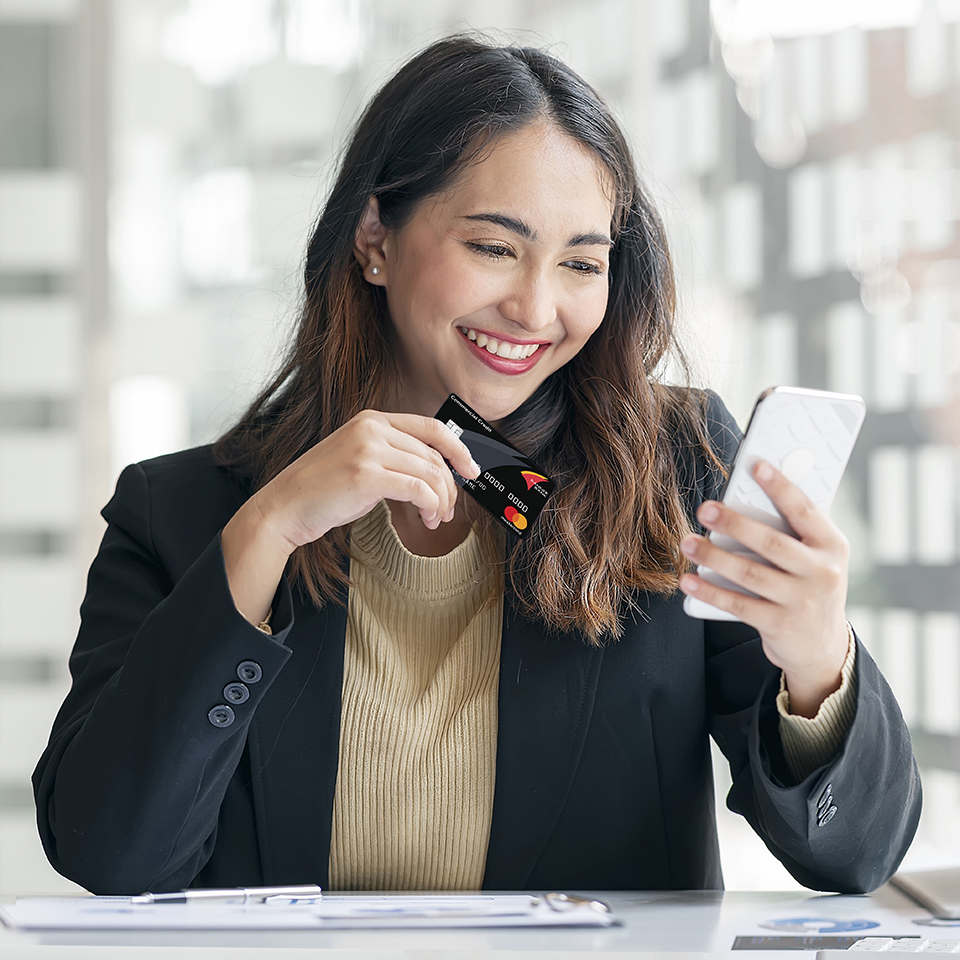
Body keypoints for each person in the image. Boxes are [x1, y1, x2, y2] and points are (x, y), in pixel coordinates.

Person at [34, 35, 919, 897]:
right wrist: (267, 533)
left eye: (581, 261)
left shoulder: (672, 476)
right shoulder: (178, 512)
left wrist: (817, 663)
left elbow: (855, 855)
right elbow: (109, 855)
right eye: (493, 248)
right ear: (374, 236)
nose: (536, 308)